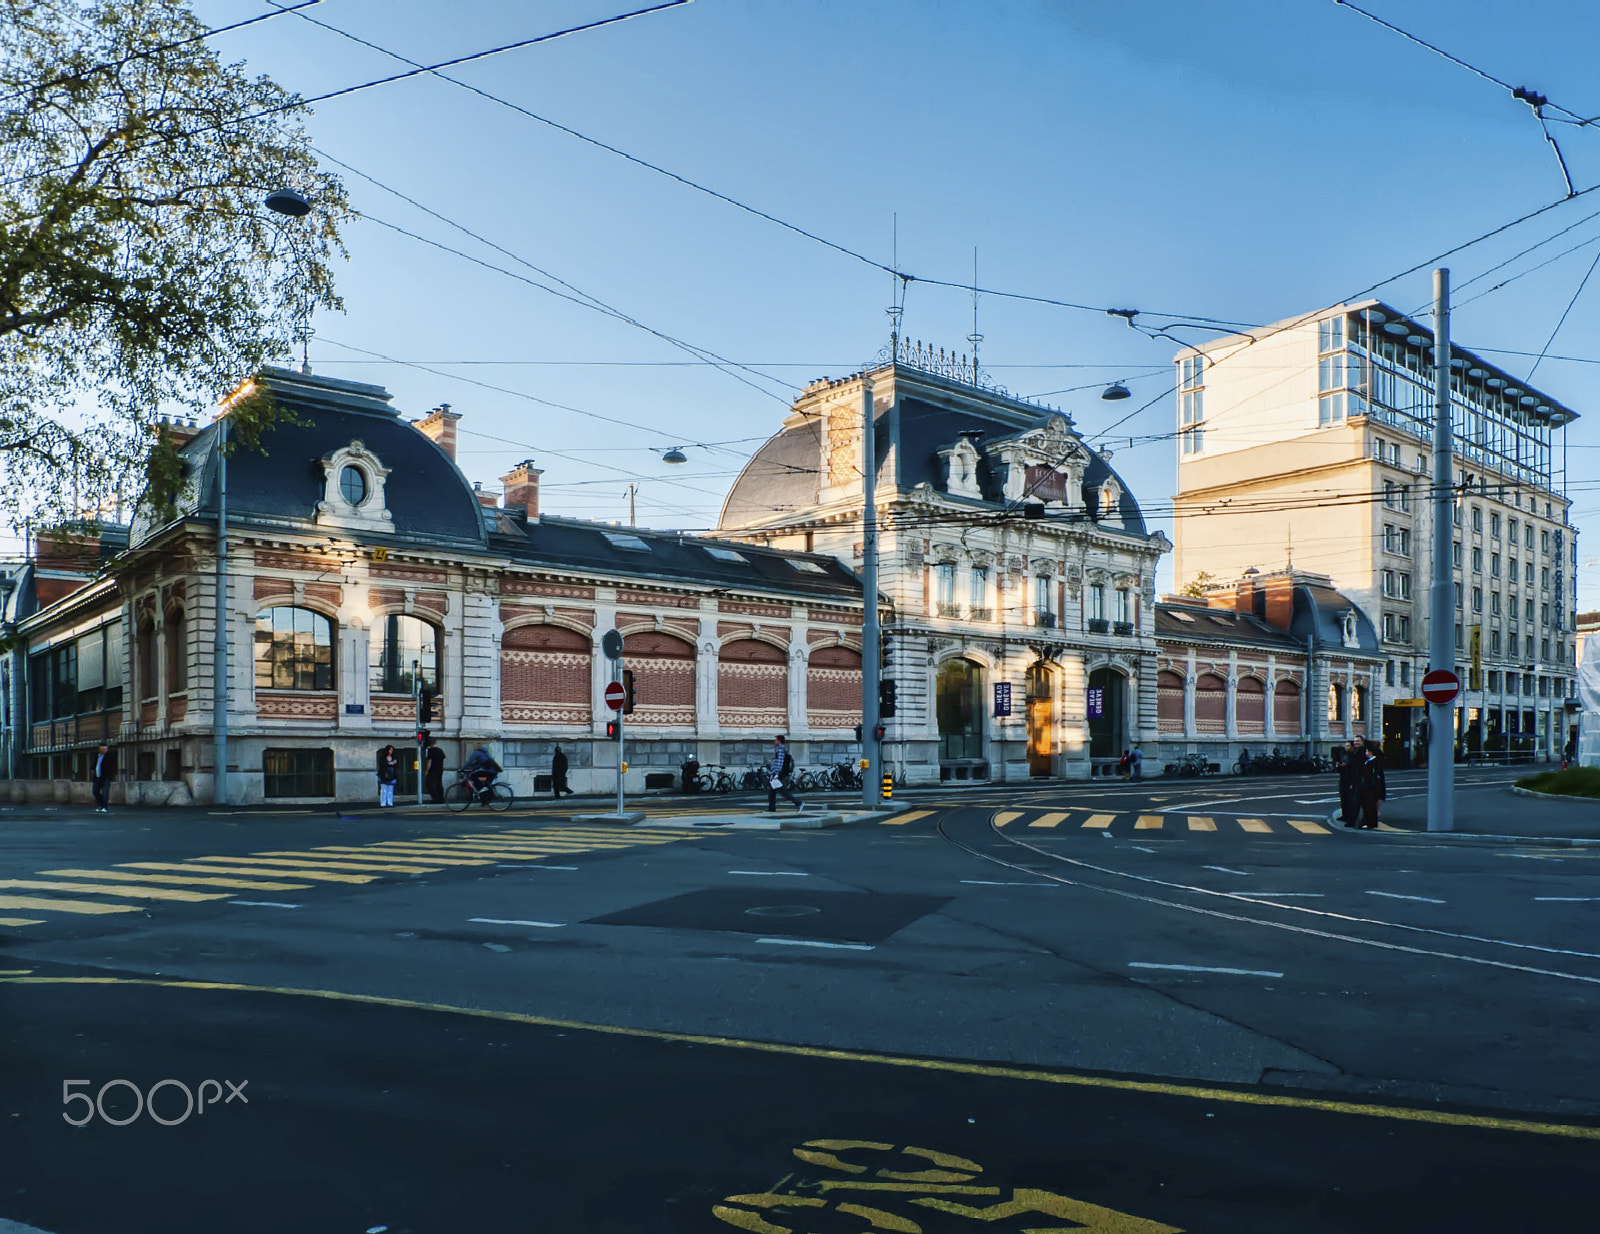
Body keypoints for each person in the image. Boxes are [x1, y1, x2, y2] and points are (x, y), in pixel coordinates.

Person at [765, 735, 804, 812]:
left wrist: (776, 773)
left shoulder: (780, 749)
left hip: (778, 773)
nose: (774, 741)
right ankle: (771, 808)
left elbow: (779, 763)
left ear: (779, 741)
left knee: (781, 791)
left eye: (776, 740)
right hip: (778, 772)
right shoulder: (781, 749)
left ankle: (798, 802)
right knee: (772, 791)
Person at [1357, 738, 1386, 830]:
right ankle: (1369, 821)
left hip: (1370, 786)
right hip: (1368, 785)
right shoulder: (1370, 761)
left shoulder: (1374, 762)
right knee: (1368, 805)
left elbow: (1369, 774)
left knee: (1369, 805)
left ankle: (1370, 822)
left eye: (1367, 751)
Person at [1337, 740, 1360, 827]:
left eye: (1348, 746)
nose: (1347, 748)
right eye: (1346, 746)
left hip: (1349, 779)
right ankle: (1344, 815)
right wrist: (1339, 766)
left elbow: (1353, 770)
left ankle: (1350, 818)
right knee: (1343, 798)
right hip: (1343, 778)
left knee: (1350, 800)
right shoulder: (1344, 755)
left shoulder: (1353, 757)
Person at [423, 736, 446, 804]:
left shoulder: (430, 751)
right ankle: (441, 798)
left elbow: (429, 761)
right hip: (439, 769)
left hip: (432, 770)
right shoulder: (440, 750)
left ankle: (435, 798)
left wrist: (427, 771)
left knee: (429, 784)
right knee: (438, 784)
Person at [91, 744, 111, 813]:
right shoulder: (97, 756)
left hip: (105, 777)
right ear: (99, 749)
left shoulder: (109, 756)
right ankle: (101, 805)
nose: (104, 750)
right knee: (95, 791)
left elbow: (112, 767)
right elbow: (95, 764)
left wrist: (108, 775)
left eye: (105, 749)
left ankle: (105, 807)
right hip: (97, 776)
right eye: (102, 749)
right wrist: (93, 769)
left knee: (105, 793)